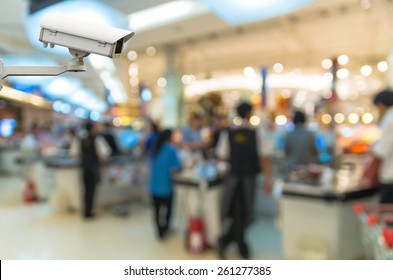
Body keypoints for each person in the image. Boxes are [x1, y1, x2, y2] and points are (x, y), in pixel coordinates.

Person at [216, 102, 272, 259]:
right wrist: (268, 179)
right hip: (249, 178)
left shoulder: (228, 133)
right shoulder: (257, 133)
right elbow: (264, 158)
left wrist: (222, 172)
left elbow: (223, 157)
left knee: (231, 209)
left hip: (232, 177)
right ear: (249, 114)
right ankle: (235, 241)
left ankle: (228, 241)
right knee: (245, 210)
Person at [70, 122, 111, 219]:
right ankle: (90, 211)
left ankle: (86, 211)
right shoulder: (97, 139)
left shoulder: (79, 139)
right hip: (93, 168)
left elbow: (74, 154)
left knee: (85, 189)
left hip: (84, 167)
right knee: (92, 190)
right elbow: (105, 154)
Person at [148, 129, 182, 239]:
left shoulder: (154, 149)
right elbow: (176, 168)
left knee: (157, 210)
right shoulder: (171, 150)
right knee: (168, 210)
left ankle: (159, 231)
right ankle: (165, 228)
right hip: (166, 186)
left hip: (154, 186)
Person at [364, 90, 393, 203]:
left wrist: (367, 176)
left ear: (380, 105)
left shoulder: (390, 119)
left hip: (390, 179)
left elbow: (380, 152)